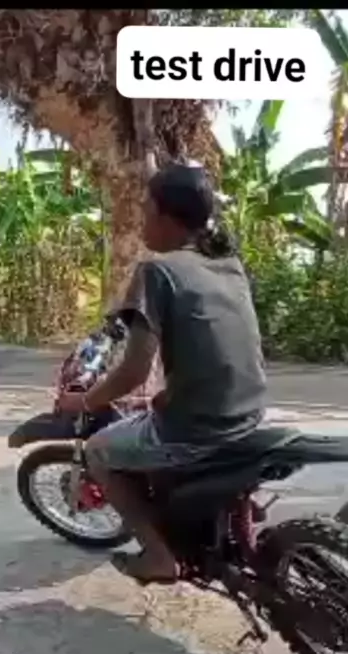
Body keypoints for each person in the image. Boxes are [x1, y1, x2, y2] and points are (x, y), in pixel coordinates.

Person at [58, 162, 267, 585]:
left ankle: (158, 555)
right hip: (250, 413)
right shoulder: (229, 265)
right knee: (154, 411)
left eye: (146, 209)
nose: (141, 220)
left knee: (98, 450)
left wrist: (84, 400)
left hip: (197, 428)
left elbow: (134, 372)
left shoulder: (157, 271)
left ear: (166, 216)